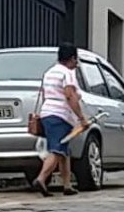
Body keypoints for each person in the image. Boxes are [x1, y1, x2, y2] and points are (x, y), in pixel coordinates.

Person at [33, 44, 88, 197]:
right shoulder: (67, 73)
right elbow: (69, 96)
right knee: (57, 149)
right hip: (60, 115)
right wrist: (82, 118)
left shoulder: (49, 72)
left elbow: (45, 94)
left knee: (64, 151)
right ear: (72, 59)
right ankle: (41, 178)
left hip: (47, 113)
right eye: (76, 60)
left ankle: (67, 185)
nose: (77, 63)